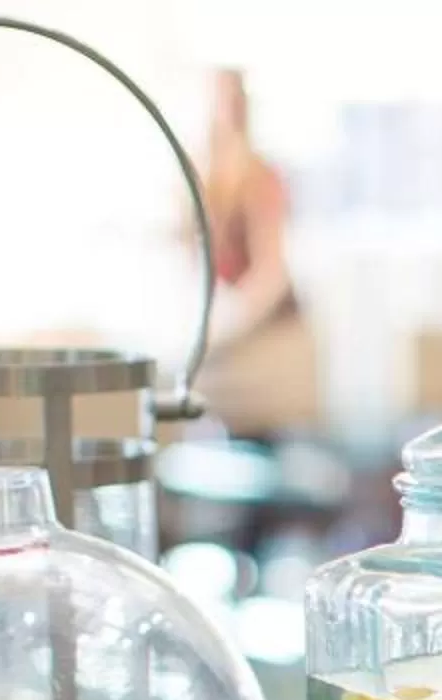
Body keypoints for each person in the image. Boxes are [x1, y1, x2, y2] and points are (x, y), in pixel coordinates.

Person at [191, 69, 321, 438]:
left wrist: (226, 328)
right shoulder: (203, 177)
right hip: (236, 338)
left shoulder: (261, 178)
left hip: (271, 341)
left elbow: (271, 274)